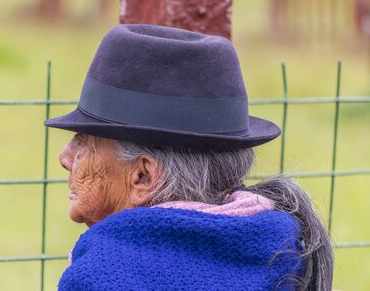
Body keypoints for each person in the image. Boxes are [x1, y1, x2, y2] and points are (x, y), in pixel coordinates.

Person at [45, 24, 333, 290]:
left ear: (143, 176)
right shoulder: (285, 252)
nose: (65, 157)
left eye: (83, 142)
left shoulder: (102, 274)